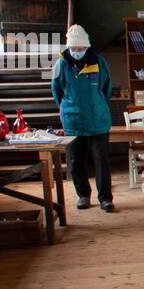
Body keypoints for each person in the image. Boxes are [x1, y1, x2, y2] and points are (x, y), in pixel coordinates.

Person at [51, 24, 115, 212]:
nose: (77, 52)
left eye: (80, 49)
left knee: (101, 160)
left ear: (87, 47)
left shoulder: (99, 62)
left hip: (98, 120)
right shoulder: (60, 64)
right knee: (75, 160)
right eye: (74, 49)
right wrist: (67, 108)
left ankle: (105, 198)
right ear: (69, 48)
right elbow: (56, 91)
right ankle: (83, 195)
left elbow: (106, 88)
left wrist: (98, 104)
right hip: (73, 121)